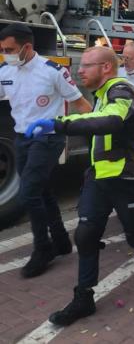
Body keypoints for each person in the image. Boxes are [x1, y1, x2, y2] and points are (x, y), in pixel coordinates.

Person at [26, 46, 134, 325]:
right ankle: (84, 298)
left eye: (85, 65)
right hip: (100, 177)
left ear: (106, 67)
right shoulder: (102, 94)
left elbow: (110, 121)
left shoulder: (122, 90)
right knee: (85, 235)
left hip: (128, 177)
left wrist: (59, 124)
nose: (79, 70)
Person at [0, 23, 91, 278]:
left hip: (48, 138)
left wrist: (101, 131)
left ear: (27, 47)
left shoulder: (52, 72)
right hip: (22, 138)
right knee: (42, 189)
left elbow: (81, 103)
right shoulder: (6, 70)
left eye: (9, 49)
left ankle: (43, 248)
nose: (5, 53)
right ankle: (61, 240)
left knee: (28, 194)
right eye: (2, 49)